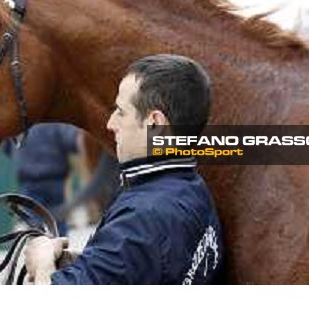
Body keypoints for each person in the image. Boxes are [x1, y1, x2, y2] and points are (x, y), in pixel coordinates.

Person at [25, 54, 224, 285]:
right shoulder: (194, 190)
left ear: (154, 124)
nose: (111, 124)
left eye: (121, 111)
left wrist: (43, 262)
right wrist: (80, 263)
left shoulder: (141, 218)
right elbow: (150, 265)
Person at [2, 123, 78, 237]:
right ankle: (60, 252)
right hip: (55, 179)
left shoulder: (18, 121)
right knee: (58, 223)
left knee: (33, 225)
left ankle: (40, 251)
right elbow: (71, 143)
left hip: (29, 180)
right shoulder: (55, 120)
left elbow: (6, 147)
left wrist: (20, 157)